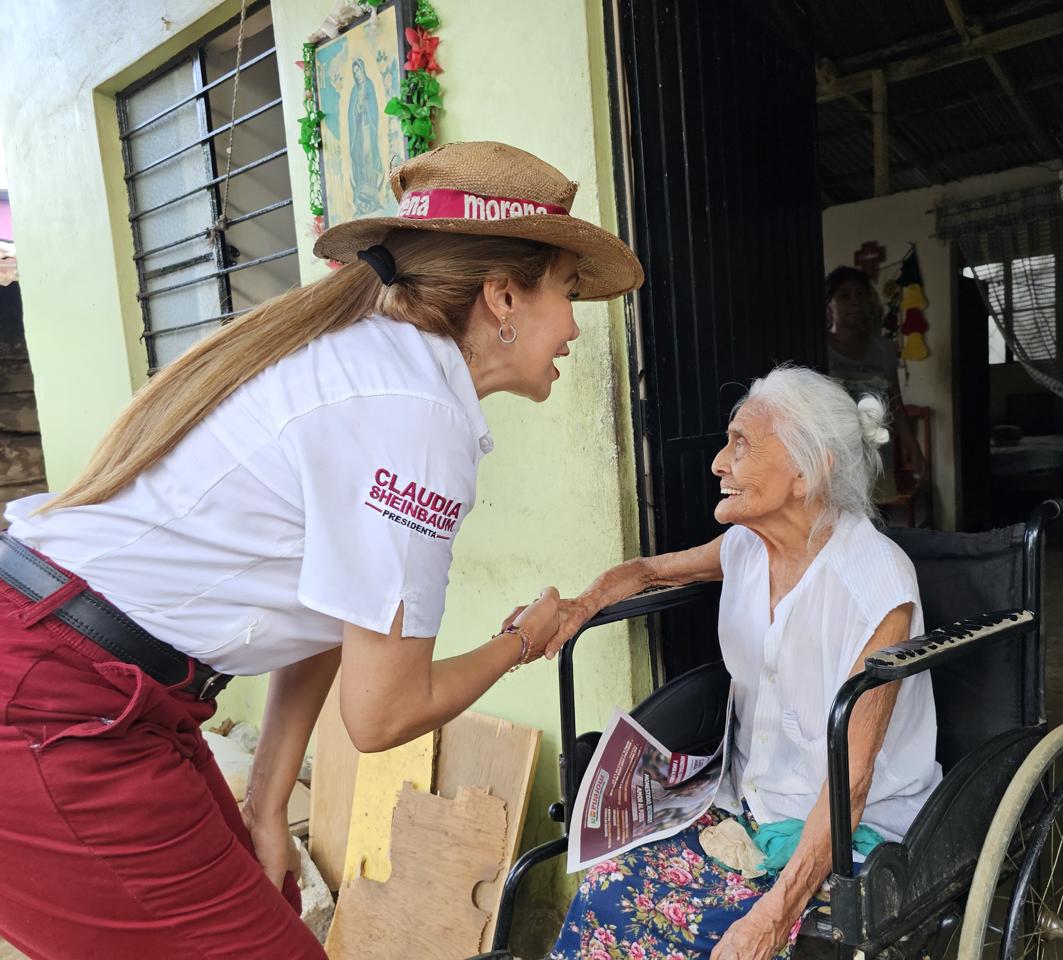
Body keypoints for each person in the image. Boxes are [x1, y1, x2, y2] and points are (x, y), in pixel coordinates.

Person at [0, 141, 643, 960]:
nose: (577, 327)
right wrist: (522, 641)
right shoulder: (413, 413)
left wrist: (267, 804)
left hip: (96, 681)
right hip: (54, 707)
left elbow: (337, 613)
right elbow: (384, 718)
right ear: (504, 294)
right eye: (569, 291)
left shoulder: (374, 367)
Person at [544, 366, 942, 960]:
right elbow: (649, 571)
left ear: (808, 469)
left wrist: (772, 917)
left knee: (716, 939)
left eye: (742, 444)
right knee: (606, 891)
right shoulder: (747, 548)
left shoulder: (875, 587)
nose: (717, 464)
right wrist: (580, 605)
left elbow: (852, 783)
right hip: (746, 806)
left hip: (851, 833)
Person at [826, 266, 925, 485]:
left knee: (874, 516)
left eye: (860, 294)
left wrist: (914, 449)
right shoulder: (819, 349)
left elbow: (895, 402)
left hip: (876, 456)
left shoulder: (884, 349)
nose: (855, 301)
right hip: (832, 460)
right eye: (844, 296)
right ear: (829, 305)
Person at [347, 57, 384, 214]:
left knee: (369, 156)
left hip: (368, 127)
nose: (357, 74)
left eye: (358, 70)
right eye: (354, 72)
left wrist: (365, 106)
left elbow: (374, 109)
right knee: (360, 157)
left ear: (363, 70)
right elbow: (351, 114)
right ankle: (362, 188)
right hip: (358, 131)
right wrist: (357, 109)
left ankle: (372, 189)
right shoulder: (354, 91)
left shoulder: (368, 85)